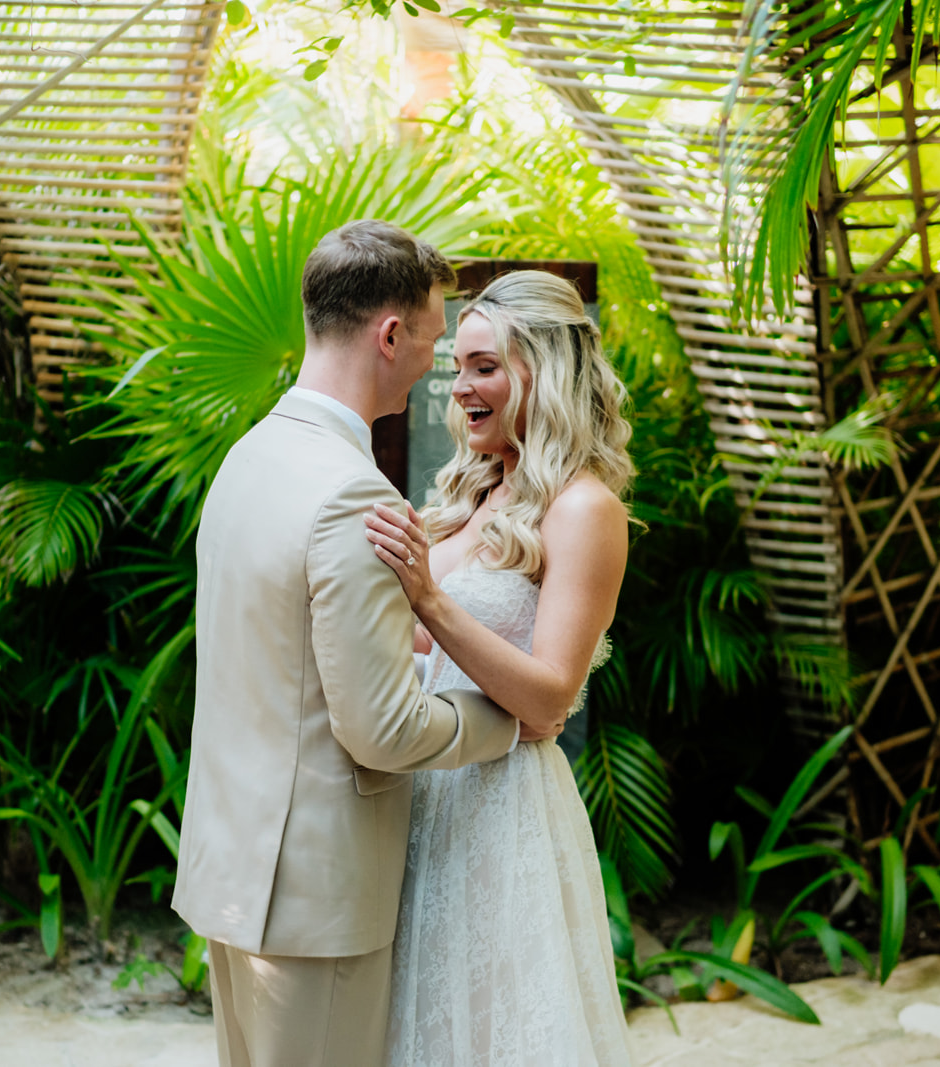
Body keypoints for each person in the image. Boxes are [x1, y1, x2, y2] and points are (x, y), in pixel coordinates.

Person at [171, 221, 562, 1067]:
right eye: (433, 340)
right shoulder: (350, 492)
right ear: (390, 334)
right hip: (316, 894)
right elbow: (380, 730)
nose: (438, 367)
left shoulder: (249, 458)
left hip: (235, 872)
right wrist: (504, 721)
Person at [364, 270, 636, 1066]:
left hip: (502, 808)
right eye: (458, 366)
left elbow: (550, 697)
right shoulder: (470, 493)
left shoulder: (585, 509)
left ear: (543, 370)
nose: (462, 387)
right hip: (425, 793)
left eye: (484, 365)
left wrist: (426, 597)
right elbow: (420, 658)